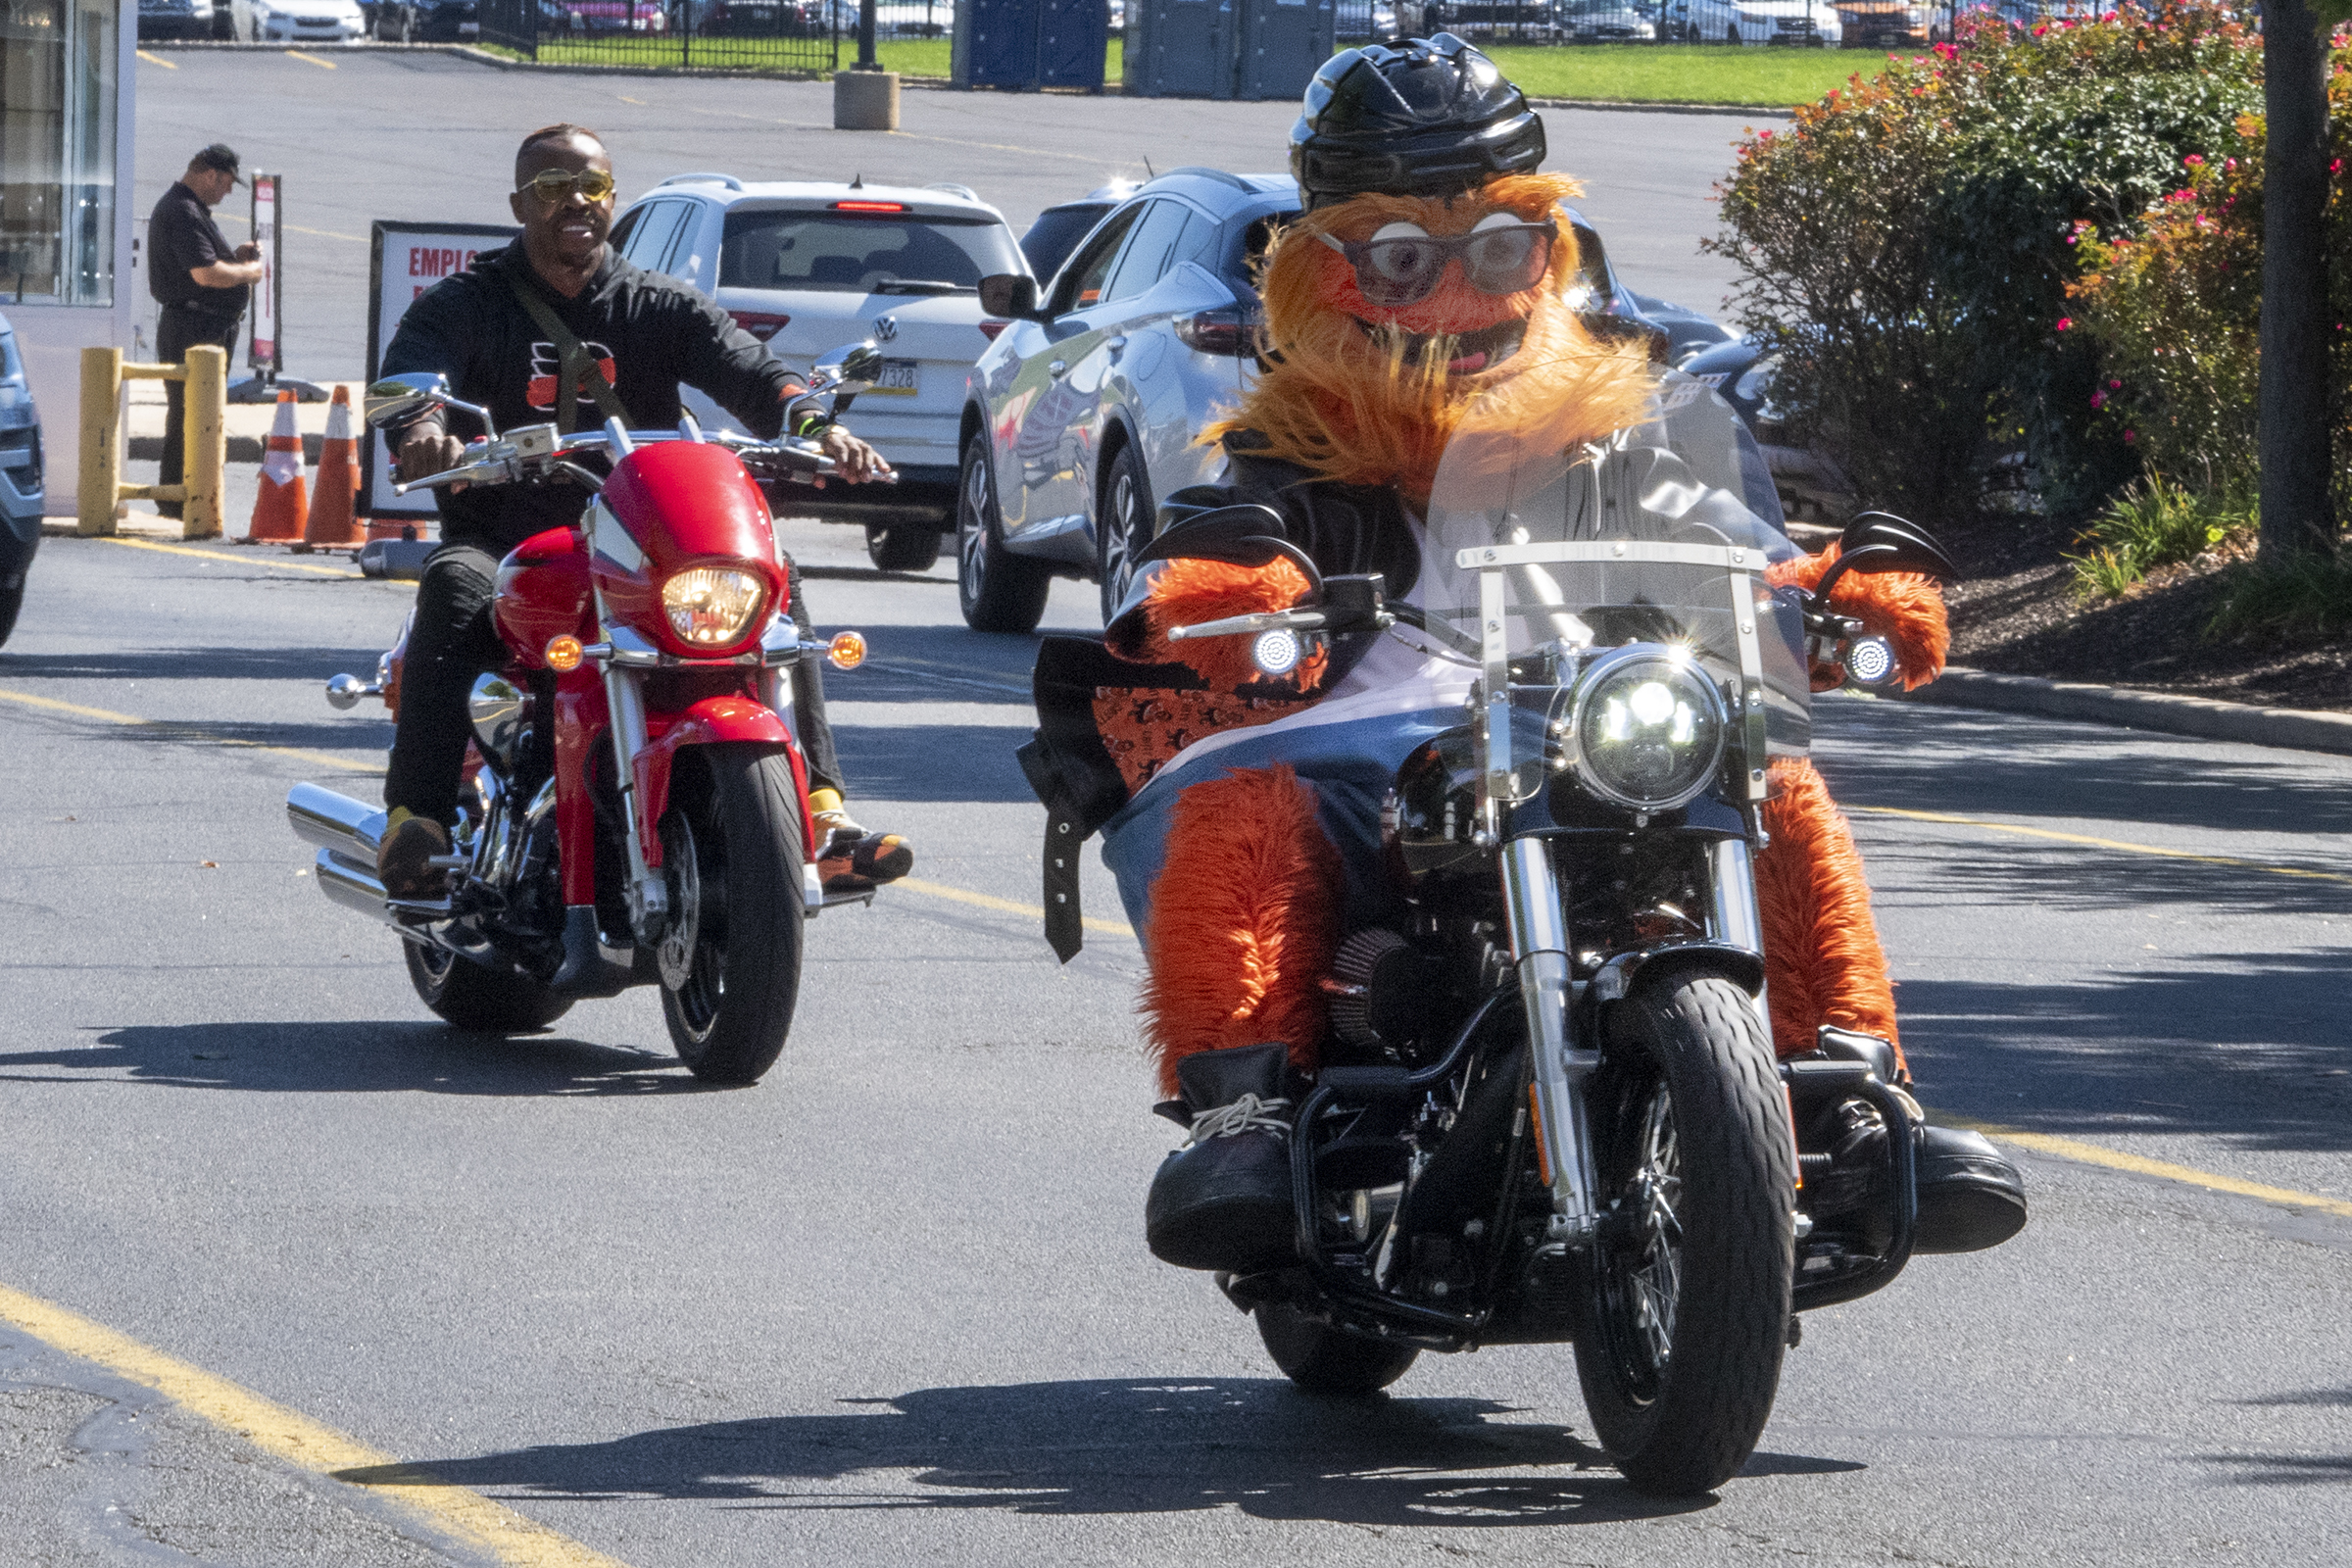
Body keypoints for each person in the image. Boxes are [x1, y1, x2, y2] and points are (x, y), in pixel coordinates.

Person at [1022, 37, 2028, 1275]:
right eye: (1404, 259)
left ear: (1547, 252)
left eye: (1499, 249)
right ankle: (1248, 1107)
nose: (1459, 295)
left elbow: (1727, 532)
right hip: (1366, 727)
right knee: (1248, 804)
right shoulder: (1298, 443)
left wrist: (1821, 589)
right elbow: (1243, 522)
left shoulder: (1609, 429)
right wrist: (1250, 586)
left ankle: (1863, 1101)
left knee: (1772, 784)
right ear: (1326, 272)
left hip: (1589, 710)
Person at [374, 122, 911, 903]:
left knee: (773, 579)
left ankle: (822, 812)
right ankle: (415, 820)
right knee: (456, 587)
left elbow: (750, 369)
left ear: (612, 199)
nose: (576, 204)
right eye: (554, 189)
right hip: (511, 536)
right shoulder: (469, 301)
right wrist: (424, 430)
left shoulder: (655, 303)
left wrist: (816, 426)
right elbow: (416, 375)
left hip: (638, 540)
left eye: (591, 187)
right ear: (521, 203)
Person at [147, 144, 263, 520]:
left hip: (202, 325)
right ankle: (179, 500)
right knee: (189, 415)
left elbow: (211, 265)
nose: (227, 192)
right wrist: (249, 272)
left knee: (195, 414)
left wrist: (236, 258)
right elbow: (206, 274)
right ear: (211, 174)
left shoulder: (192, 210)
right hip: (192, 328)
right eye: (227, 183)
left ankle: (184, 496)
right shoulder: (181, 210)